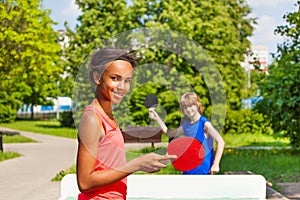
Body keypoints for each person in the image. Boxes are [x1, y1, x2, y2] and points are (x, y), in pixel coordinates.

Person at [76, 47, 177, 200]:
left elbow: (109, 167)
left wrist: (145, 164)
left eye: (127, 80)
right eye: (115, 78)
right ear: (98, 78)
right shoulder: (92, 118)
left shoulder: (108, 116)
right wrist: (136, 164)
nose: (122, 87)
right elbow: (84, 181)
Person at [149, 92, 225, 175]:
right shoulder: (186, 126)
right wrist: (157, 119)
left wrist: (216, 164)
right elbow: (169, 133)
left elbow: (220, 141)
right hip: (188, 171)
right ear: (182, 110)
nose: (188, 109)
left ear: (198, 105)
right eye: (185, 107)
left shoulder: (205, 124)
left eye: (191, 105)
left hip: (203, 172)